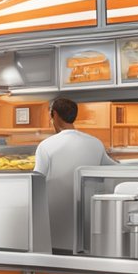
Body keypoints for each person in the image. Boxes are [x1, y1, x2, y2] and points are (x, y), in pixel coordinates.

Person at [35, 97, 115, 253]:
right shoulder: (95, 143)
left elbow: (36, 183)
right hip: (88, 228)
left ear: (55, 115)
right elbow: (114, 170)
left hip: (55, 228)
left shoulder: (46, 146)